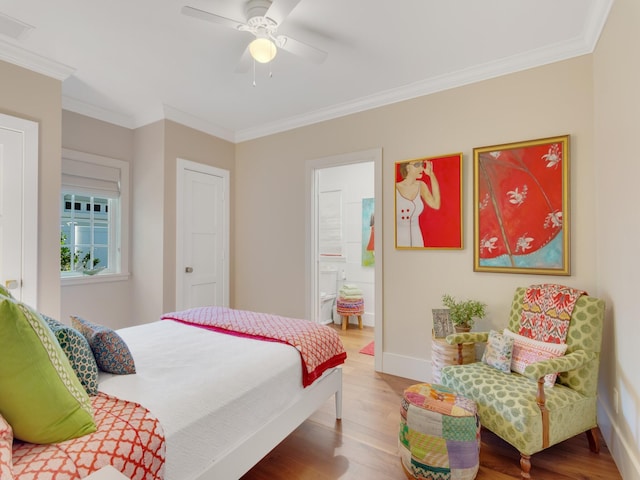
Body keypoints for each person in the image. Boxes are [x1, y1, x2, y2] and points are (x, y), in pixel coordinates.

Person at [396, 159, 441, 247]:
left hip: (417, 239)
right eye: (417, 165)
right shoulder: (395, 188)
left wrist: (431, 174)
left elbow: (436, 205)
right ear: (407, 168)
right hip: (398, 239)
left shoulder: (421, 185)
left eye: (422, 164)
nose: (421, 168)